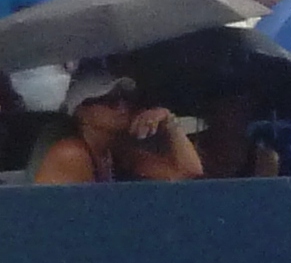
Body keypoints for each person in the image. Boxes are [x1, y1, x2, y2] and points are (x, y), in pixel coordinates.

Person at [32, 64, 203, 184]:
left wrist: (170, 122)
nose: (122, 107)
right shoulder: (71, 155)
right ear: (81, 111)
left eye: (126, 99)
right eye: (110, 101)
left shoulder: (116, 152)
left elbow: (189, 177)